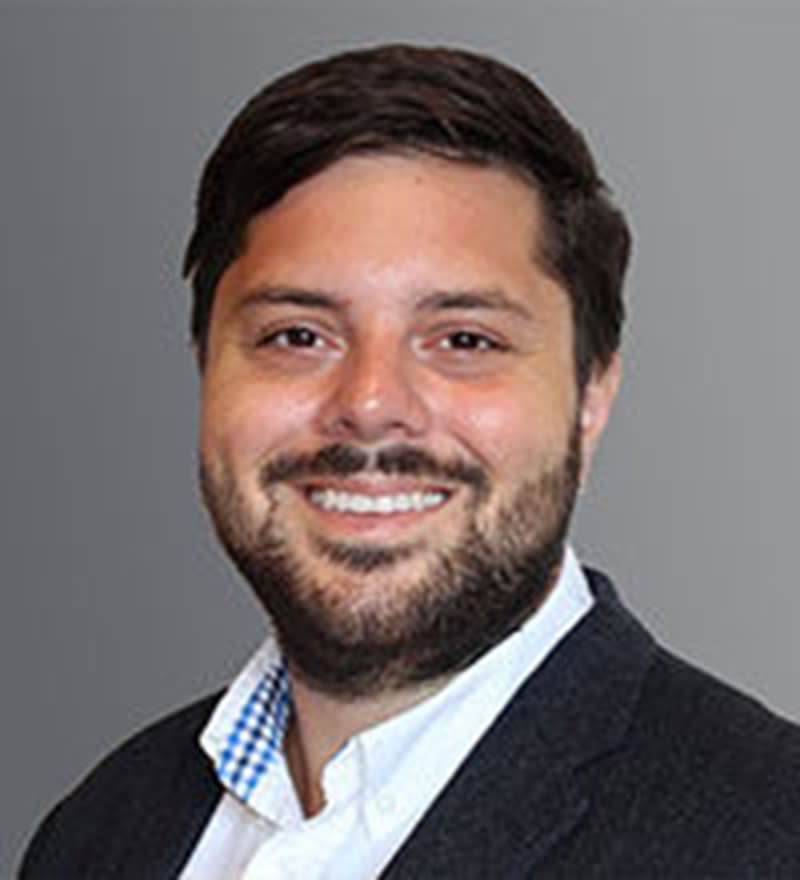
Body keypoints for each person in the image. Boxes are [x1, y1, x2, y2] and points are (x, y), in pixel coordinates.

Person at [20, 43, 800, 879]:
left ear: (591, 396)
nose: (368, 402)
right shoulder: (101, 829)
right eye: (297, 335)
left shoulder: (769, 834)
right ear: (207, 370)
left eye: (465, 339)